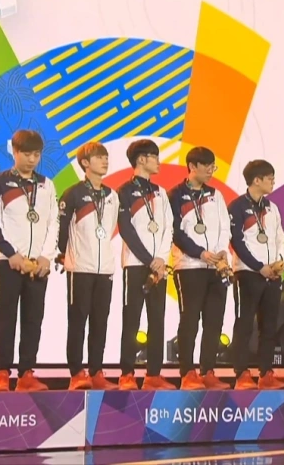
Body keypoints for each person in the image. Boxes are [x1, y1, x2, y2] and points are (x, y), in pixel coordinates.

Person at [0, 130, 57, 392]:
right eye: (27, 154)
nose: (32, 159)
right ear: (14, 152)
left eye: (36, 154)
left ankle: (26, 373)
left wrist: (46, 256)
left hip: (38, 265)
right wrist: (12, 254)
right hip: (9, 262)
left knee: (33, 319)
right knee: (6, 317)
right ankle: (1, 373)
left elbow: (53, 222)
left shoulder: (46, 184)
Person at [57, 142, 120, 391]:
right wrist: (65, 254)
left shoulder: (112, 195)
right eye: (99, 157)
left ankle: (96, 371)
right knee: (77, 321)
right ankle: (76, 373)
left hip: (104, 269)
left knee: (100, 322)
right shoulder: (72, 193)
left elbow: (110, 227)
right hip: (80, 267)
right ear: (85, 163)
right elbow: (62, 229)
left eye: (106, 157)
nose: (105, 161)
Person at [168, 147, 232, 390]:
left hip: (215, 267)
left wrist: (221, 251)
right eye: (207, 166)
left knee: (214, 321)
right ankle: (187, 373)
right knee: (190, 320)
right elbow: (175, 233)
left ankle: (208, 371)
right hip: (189, 266)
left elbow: (224, 227)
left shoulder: (216, 195)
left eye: (213, 166)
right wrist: (200, 253)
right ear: (192, 166)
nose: (211, 171)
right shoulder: (174, 195)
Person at [116, 140, 175, 391]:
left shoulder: (161, 192)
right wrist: (150, 260)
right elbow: (126, 230)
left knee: (157, 319)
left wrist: (161, 258)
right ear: (141, 159)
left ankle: (154, 374)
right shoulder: (124, 191)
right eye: (154, 157)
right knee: (131, 319)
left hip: (159, 266)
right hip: (135, 264)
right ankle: (127, 374)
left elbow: (168, 227)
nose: (158, 161)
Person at [229, 160, 284, 390]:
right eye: (270, 178)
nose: (273, 182)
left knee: (270, 326)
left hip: (271, 275)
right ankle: (241, 373)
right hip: (248, 273)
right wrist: (258, 266)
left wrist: (280, 263)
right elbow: (237, 242)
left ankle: (266, 373)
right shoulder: (237, 207)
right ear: (256, 180)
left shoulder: (272, 208)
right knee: (244, 325)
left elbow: (280, 238)